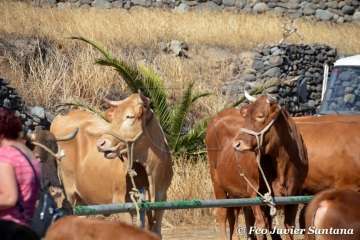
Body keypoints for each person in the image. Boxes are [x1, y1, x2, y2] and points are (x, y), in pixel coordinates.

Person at [0, 107, 40, 239]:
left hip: (7, 229)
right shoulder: (27, 154)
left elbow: (9, 198)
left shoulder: (5, 156)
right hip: (27, 229)